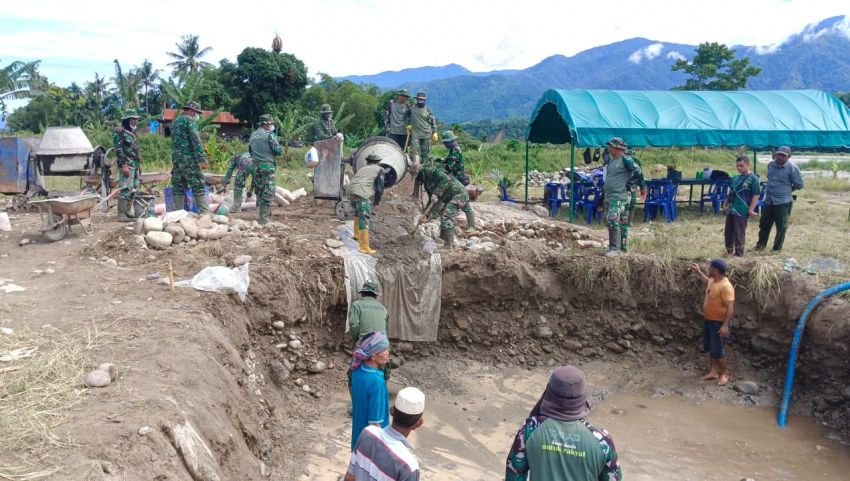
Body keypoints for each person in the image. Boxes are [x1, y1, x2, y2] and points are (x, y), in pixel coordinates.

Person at [505, 365, 622, 481]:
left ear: (549, 393)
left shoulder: (529, 430)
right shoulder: (602, 441)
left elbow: (513, 476)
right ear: (583, 398)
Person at [345, 387, 424, 481]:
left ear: (391, 411)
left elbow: (349, 477)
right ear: (419, 423)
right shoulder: (409, 466)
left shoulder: (367, 433)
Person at [689, 258, 735, 386]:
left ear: (716, 270)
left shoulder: (726, 286)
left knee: (718, 350)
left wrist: (725, 326)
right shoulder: (714, 281)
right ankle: (713, 371)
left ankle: (724, 374)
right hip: (709, 321)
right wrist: (698, 272)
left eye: (710, 267)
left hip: (719, 323)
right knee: (711, 348)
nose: (708, 269)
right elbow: (706, 282)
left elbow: (730, 308)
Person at [755, 146, 804, 253]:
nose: (780, 157)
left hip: (783, 202)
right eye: (778, 154)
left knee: (781, 227)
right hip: (769, 201)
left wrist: (788, 190)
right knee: (764, 225)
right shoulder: (771, 165)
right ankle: (760, 246)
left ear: (789, 157)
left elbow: (799, 185)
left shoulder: (792, 168)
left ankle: (776, 249)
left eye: (783, 155)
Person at [349, 331, 391, 452]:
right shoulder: (376, 382)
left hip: (358, 440)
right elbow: (375, 423)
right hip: (371, 447)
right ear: (373, 356)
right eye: (384, 350)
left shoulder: (357, 371)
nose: (387, 352)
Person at [415, 163, 473, 246]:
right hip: (451, 196)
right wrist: (426, 214)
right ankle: (443, 239)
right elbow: (432, 201)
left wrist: (436, 193)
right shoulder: (427, 180)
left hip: (458, 195)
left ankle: (448, 245)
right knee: (443, 215)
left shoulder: (433, 172)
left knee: (447, 216)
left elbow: (446, 179)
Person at [602, 137, 641, 256]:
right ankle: (621, 249)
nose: (608, 148)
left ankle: (615, 248)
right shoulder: (613, 161)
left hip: (618, 197)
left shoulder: (626, 159)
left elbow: (637, 171)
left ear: (617, 148)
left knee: (612, 220)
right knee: (621, 222)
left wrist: (630, 183)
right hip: (610, 196)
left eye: (610, 146)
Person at [170, 101, 209, 214]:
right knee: (198, 183)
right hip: (189, 159)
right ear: (192, 111)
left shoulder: (175, 122)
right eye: (197, 113)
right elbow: (195, 140)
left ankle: (178, 214)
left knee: (178, 184)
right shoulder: (189, 121)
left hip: (177, 159)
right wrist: (202, 159)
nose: (197, 116)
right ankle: (204, 213)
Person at [346, 154, 386, 254]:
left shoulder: (363, 169)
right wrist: (377, 200)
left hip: (350, 191)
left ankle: (356, 235)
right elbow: (380, 187)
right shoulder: (380, 169)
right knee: (364, 218)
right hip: (362, 193)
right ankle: (364, 247)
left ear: (367, 161)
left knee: (357, 213)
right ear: (378, 162)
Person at [248, 114, 282, 225]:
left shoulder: (253, 135)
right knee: (268, 191)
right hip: (267, 166)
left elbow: (250, 151)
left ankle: (263, 216)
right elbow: (278, 150)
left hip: (255, 166)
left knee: (260, 190)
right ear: (266, 124)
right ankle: (265, 219)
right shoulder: (269, 135)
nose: (272, 125)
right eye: (271, 123)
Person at [724, 155, 760, 256]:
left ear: (748, 164)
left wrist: (751, 209)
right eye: (737, 166)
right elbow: (731, 192)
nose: (739, 168)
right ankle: (729, 252)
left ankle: (739, 254)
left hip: (742, 209)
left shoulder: (754, 179)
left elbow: (756, 194)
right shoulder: (735, 178)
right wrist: (725, 203)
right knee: (728, 232)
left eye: (741, 165)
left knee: (739, 233)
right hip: (732, 208)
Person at [113, 110, 142, 222]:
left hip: (135, 165)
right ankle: (121, 214)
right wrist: (123, 165)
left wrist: (139, 166)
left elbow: (135, 150)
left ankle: (128, 211)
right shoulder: (120, 131)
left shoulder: (133, 133)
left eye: (136, 119)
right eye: (132, 119)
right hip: (127, 165)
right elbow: (118, 149)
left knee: (134, 188)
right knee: (125, 188)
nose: (135, 121)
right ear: (126, 120)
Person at [349, 280, 389, 344]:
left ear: (362, 293)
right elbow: (385, 329)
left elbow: (354, 325)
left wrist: (356, 341)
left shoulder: (356, 305)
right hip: (383, 347)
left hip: (365, 346)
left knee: (358, 352)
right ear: (376, 295)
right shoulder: (383, 308)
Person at [623, 148, 646, 253]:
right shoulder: (620, 162)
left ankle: (630, 221)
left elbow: (641, 177)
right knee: (625, 206)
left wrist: (642, 187)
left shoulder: (636, 164)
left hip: (631, 187)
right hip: (622, 187)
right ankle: (624, 222)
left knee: (632, 204)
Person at [407, 92, 437, 162]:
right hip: (416, 134)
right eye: (419, 99)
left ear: (424, 100)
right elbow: (407, 116)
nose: (420, 100)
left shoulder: (428, 109)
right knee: (414, 153)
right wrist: (409, 124)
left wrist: (435, 132)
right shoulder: (412, 108)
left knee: (425, 153)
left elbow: (433, 121)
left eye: (421, 99)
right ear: (417, 99)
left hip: (426, 134)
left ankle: (425, 168)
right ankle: (414, 168)